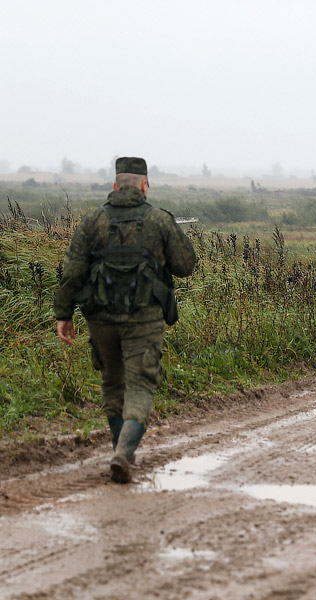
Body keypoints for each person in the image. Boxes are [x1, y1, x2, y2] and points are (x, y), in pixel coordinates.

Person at [54, 157, 197, 483]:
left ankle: (120, 450)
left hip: (100, 320)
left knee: (112, 384)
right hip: (144, 320)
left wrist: (63, 313)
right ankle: (123, 453)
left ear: (115, 186)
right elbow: (186, 265)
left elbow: (72, 273)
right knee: (141, 385)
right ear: (144, 185)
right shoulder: (159, 220)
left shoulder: (92, 221)